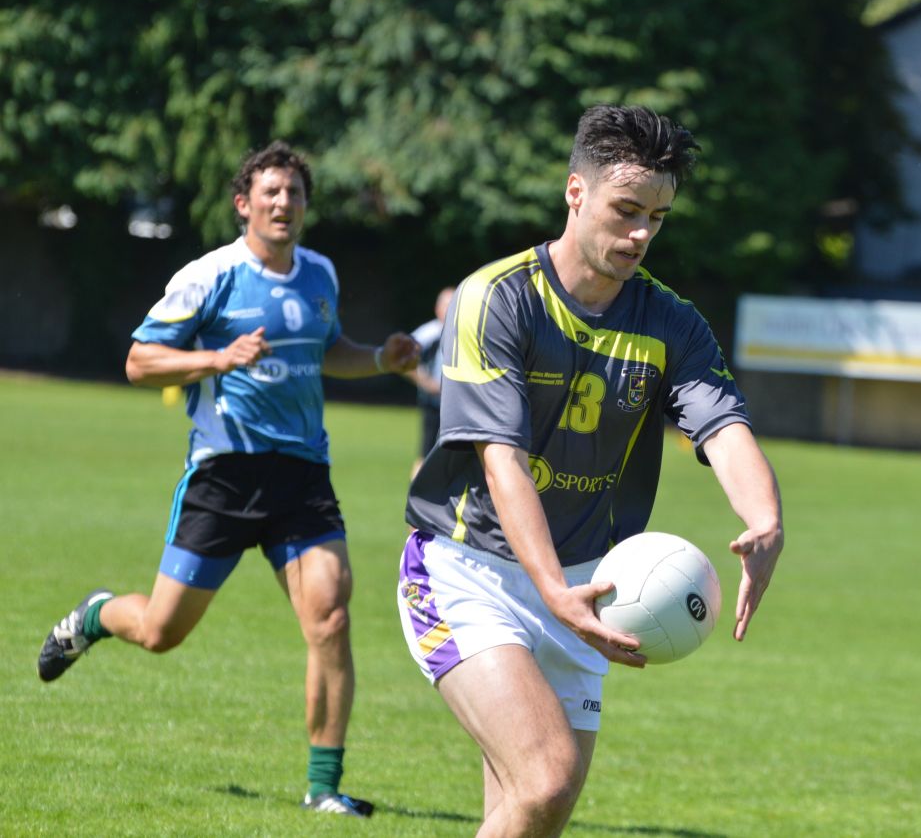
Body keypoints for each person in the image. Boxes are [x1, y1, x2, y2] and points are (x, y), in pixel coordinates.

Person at [395, 104, 784, 836]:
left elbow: (723, 425)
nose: (641, 234)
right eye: (626, 210)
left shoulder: (672, 322)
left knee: (532, 809)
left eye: (658, 218)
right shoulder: (497, 297)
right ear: (577, 192)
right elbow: (500, 458)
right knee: (545, 779)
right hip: (465, 571)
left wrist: (766, 519)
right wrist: (550, 590)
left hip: (591, 586)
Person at [36, 140, 419, 817]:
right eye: (270, 192)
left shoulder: (320, 274)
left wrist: (382, 361)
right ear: (244, 204)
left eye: (294, 193)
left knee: (330, 617)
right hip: (225, 474)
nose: (284, 203)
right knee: (160, 631)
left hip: (302, 474)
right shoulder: (209, 276)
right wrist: (219, 356)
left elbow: (333, 355)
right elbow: (138, 361)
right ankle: (96, 614)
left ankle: (324, 788)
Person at [406, 285, 456, 478]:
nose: (450, 309)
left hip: (459, 404)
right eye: (446, 305)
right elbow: (403, 358)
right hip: (434, 403)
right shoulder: (430, 332)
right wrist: (426, 382)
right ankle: (416, 495)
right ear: (437, 308)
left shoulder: (467, 331)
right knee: (426, 451)